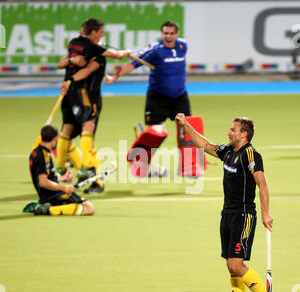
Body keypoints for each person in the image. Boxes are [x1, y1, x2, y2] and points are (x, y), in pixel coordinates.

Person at [175, 114, 280, 292]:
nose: (229, 133)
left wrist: (266, 213)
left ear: (244, 134)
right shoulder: (229, 152)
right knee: (231, 266)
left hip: (244, 215)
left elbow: (263, 185)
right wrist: (186, 125)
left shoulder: (251, 155)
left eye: (233, 130)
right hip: (228, 214)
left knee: (236, 264)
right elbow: (204, 144)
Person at [108, 21, 192, 177]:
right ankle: (142, 164)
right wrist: (115, 76)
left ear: (176, 34)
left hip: (180, 96)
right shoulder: (154, 50)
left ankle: (187, 168)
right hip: (158, 96)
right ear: (162, 34)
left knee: (186, 132)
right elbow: (133, 63)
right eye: (165, 33)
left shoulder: (182, 46)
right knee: (156, 132)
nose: (168, 36)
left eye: (171, 33)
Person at [56, 18, 131, 192]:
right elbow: (88, 70)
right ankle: (91, 173)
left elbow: (64, 63)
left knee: (67, 131)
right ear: (93, 33)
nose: (103, 34)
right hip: (87, 98)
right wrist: (126, 52)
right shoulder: (96, 51)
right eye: (101, 31)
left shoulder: (73, 44)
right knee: (87, 132)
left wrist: (67, 79)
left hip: (71, 95)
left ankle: (61, 169)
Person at [29, 125, 95, 216]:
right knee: (89, 208)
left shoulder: (37, 152)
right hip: (53, 195)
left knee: (84, 203)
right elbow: (43, 182)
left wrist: (62, 178)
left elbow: (44, 177)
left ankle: (44, 205)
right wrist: (64, 188)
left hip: (49, 193)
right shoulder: (43, 156)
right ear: (56, 138)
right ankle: (48, 210)